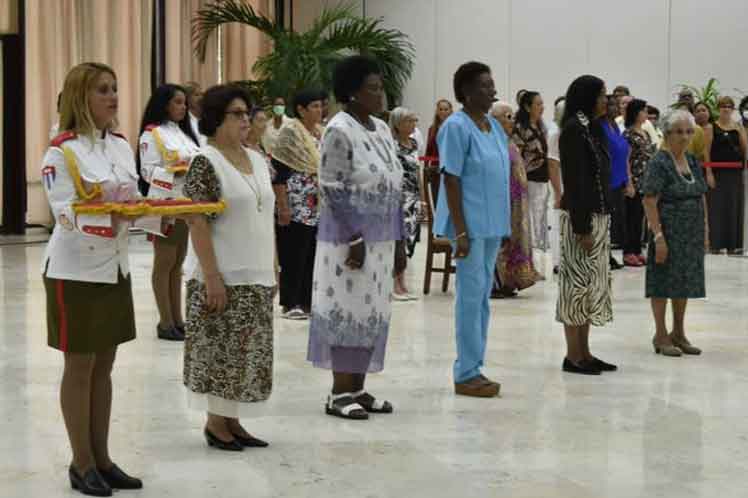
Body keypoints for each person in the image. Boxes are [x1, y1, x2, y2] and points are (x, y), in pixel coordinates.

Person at [42, 62, 144, 496]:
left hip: (114, 266)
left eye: (115, 88)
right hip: (75, 270)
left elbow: (135, 196)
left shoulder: (120, 146)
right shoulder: (61, 152)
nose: (112, 96)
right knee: (79, 365)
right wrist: (114, 211)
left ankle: (103, 459)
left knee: (106, 365)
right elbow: (66, 213)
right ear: (81, 96)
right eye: (103, 90)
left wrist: (145, 208)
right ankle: (80, 463)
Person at [308, 55, 403, 419]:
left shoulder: (380, 129)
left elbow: (394, 182)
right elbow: (332, 186)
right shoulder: (339, 129)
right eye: (373, 88)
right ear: (351, 92)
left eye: (381, 88)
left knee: (372, 311)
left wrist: (397, 240)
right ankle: (338, 393)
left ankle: (359, 387)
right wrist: (355, 236)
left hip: (381, 238)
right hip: (347, 241)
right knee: (346, 310)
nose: (380, 95)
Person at [182, 84, 276, 450]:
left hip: (256, 273)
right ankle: (215, 423)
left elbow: (265, 215)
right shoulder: (205, 161)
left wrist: (273, 268)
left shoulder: (256, 159)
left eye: (247, 113)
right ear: (216, 119)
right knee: (219, 352)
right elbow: (197, 221)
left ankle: (233, 420)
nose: (245, 120)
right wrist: (211, 278)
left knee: (246, 354)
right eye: (237, 114)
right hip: (222, 274)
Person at [434, 61, 510, 397]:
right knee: (469, 297)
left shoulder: (492, 126)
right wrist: (460, 231)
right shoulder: (455, 126)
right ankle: (465, 372)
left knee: (482, 297)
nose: (492, 90)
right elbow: (451, 177)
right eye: (484, 86)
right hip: (468, 225)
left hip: (492, 223)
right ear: (465, 92)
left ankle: (475, 366)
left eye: (492, 85)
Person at [556, 74, 616, 375]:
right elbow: (575, 181)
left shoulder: (592, 128)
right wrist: (581, 227)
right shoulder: (573, 131)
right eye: (602, 94)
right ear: (588, 96)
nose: (607, 99)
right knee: (576, 288)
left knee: (592, 288)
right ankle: (573, 355)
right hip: (583, 219)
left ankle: (586, 352)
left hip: (599, 215)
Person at [137, 84, 202, 341]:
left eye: (184, 103)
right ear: (164, 104)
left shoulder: (185, 134)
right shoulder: (151, 134)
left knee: (178, 264)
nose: (183, 107)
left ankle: (178, 319)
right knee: (164, 263)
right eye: (178, 102)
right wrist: (176, 171)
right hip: (164, 205)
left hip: (186, 204)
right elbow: (147, 171)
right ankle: (165, 322)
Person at [642, 110, 708, 356]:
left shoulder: (691, 160)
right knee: (663, 280)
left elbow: (701, 195)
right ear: (667, 134)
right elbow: (649, 200)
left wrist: (705, 230)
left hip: (690, 233)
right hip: (668, 231)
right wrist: (658, 237)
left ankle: (678, 333)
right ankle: (660, 334)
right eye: (679, 132)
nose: (684, 137)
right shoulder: (659, 162)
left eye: (689, 131)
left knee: (684, 281)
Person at [272, 89, 324, 320]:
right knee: (293, 253)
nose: (319, 110)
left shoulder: (320, 132)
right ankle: (289, 302)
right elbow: (279, 171)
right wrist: (283, 206)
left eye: (321, 105)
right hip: (294, 201)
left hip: (316, 203)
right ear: (301, 109)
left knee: (311, 252)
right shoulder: (290, 132)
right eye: (314, 106)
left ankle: (306, 300)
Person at [490, 101, 537, 297]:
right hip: (500, 201)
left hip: (517, 203)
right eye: (507, 117)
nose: (512, 121)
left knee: (516, 239)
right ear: (494, 120)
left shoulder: (508, 141)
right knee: (501, 242)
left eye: (512, 116)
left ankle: (510, 281)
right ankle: (496, 284)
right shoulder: (490, 141)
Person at [513, 90, 550, 273]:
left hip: (543, 178)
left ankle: (539, 262)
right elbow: (518, 156)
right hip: (529, 179)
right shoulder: (521, 127)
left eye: (542, 104)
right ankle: (530, 265)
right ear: (527, 107)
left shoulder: (541, 126)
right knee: (531, 223)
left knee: (541, 221)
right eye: (538, 104)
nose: (542, 108)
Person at [706, 96, 748, 253]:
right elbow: (706, 151)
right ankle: (715, 244)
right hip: (717, 172)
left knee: (733, 207)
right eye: (723, 106)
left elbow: (744, 150)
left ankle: (733, 244)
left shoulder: (738, 128)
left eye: (729, 106)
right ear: (718, 108)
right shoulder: (711, 127)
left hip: (735, 173)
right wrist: (709, 172)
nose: (726, 108)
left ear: (733, 109)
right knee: (716, 208)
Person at [390, 106, 422, 300]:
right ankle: (395, 282)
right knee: (398, 240)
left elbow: (418, 170)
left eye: (414, 120)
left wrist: (423, 200)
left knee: (410, 239)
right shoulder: (391, 145)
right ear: (398, 124)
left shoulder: (414, 143)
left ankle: (402, 281)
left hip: (414, 197)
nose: (413, 124)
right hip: (398, 197)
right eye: (409, 120)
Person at [622, 98, 655, 266]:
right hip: (633, 181)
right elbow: (625, 160)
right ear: (635, 113)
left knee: (641, 217)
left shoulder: (646, 133)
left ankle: (636, 249)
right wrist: (628, 182)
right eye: (643, 110)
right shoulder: (628, 134)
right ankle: (628, 252)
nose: (646, 114)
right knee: (631, 217)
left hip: (645, 181)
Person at [601, 95, 630, 269]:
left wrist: (627, 180)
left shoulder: (616, 127)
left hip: (618, 179)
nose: (615, 108)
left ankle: (609, 254)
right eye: (610, 104)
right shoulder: (600, 127)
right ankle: (604, 255)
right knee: (606, 220)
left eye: (617, 105)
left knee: (615, 220)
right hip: (606, 180)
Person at [548, 97, 565, 274]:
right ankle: (557, 260)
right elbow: (552, 163)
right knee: (558, 222)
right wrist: (558, 192)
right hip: (560, 181)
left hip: (571, 179)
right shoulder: (555, 134)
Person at [425, 99, 453, 165]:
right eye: (440, 109)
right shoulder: (432, 129)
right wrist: (425, 166)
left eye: (446, 109)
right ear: (437, 111)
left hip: (451, 166)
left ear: (450, 111)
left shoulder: (455, 128)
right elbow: (428, 150)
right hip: (435, 166)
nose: (443, 112)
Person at [184, 81, 207, 146]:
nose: (201, 98)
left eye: (202, 94)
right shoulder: (184, 120)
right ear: (187, 98)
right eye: (196, 95)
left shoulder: (206, 118)